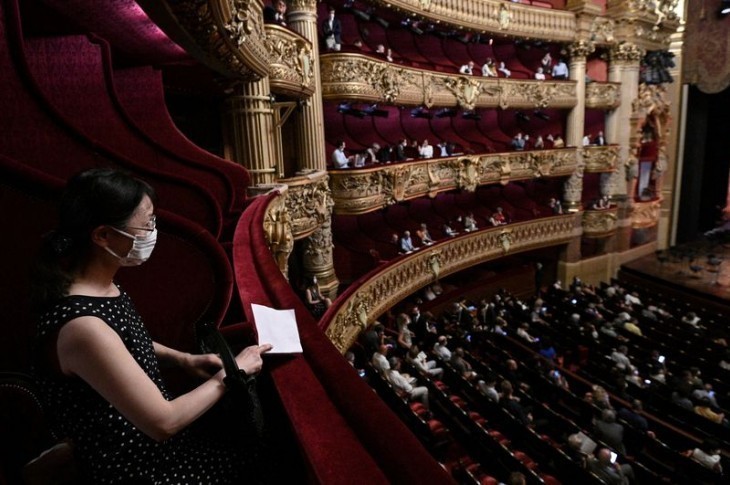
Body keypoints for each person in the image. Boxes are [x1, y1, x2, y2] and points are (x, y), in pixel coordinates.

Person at [32, 168, 272, 484]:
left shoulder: (101, 287)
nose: (151, 231)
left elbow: (121, 344)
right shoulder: (82, 325)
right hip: (135, 466)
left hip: (148, 444)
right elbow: (164, 422)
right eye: (145, 223)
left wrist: (183, 359)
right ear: (103, 235)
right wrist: (232, 373)